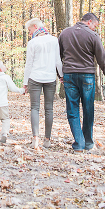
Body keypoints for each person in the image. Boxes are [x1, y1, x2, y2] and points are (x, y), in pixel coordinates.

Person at [58, 12, 105, 152]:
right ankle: (88, 142)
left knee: (72, 110)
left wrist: (59, 74)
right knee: (88, 109)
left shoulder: (65, 33)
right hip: (87, 75)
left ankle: (79, 144)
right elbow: (102, 58)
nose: (94, 28)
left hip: (69, 74)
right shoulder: (93, 35)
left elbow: (57, 56)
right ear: (89, 22)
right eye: (95, 25)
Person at [23, 18, 63, 150]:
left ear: (35, 26)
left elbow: (29, 64)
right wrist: (61, 76)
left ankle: (35, 138)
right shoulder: (54, 40)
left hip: (35, 77)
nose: (29, 33)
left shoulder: (33, 42)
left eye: (30, 30)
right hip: (50, 78)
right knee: (49, 108)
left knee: (34, 108)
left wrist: (25, 82)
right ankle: (47, 139)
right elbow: (58, 61)